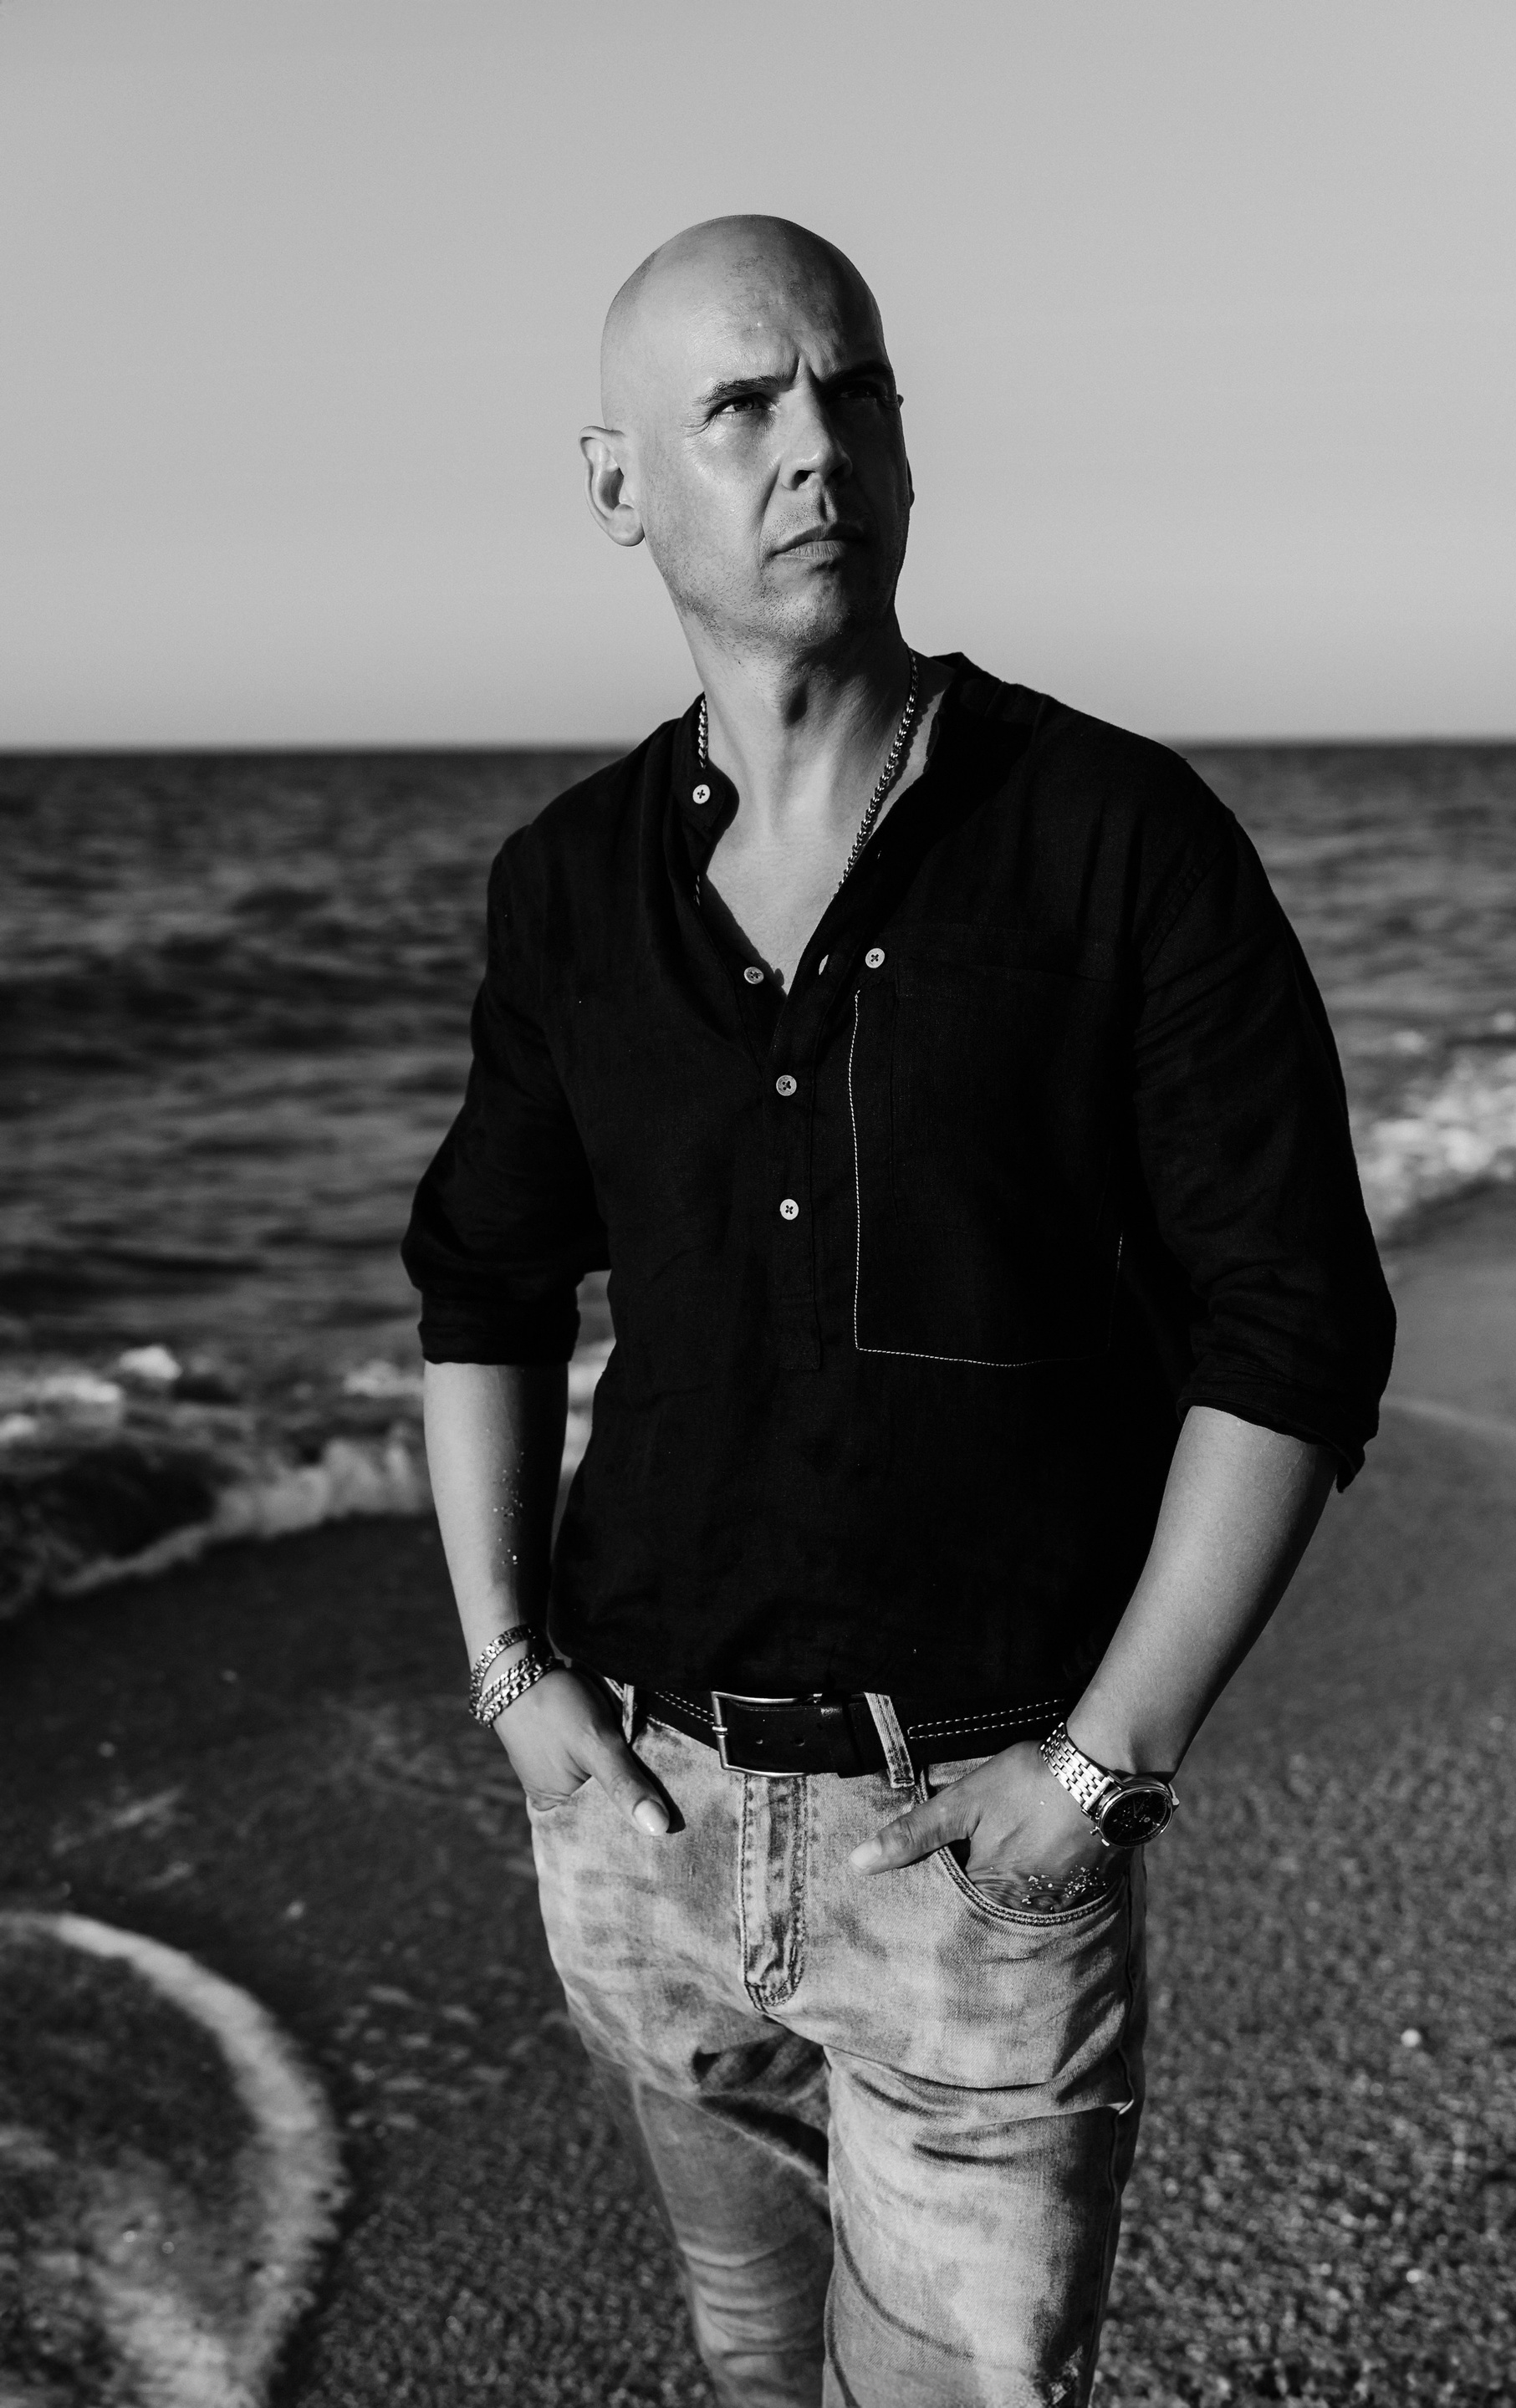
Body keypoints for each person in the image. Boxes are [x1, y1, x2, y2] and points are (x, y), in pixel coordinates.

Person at [402, 215, 1395, 2408]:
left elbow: (1294, 1322)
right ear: (617, 485)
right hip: (648, 1831)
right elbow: (484, 1280)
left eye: (853, 390)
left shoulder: (1118, 838)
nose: (814, 447)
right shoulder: (566, 885)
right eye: (741, 405)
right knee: (755, 2363)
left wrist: (1103, 1770)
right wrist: (510, 1674)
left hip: (978, 1857)